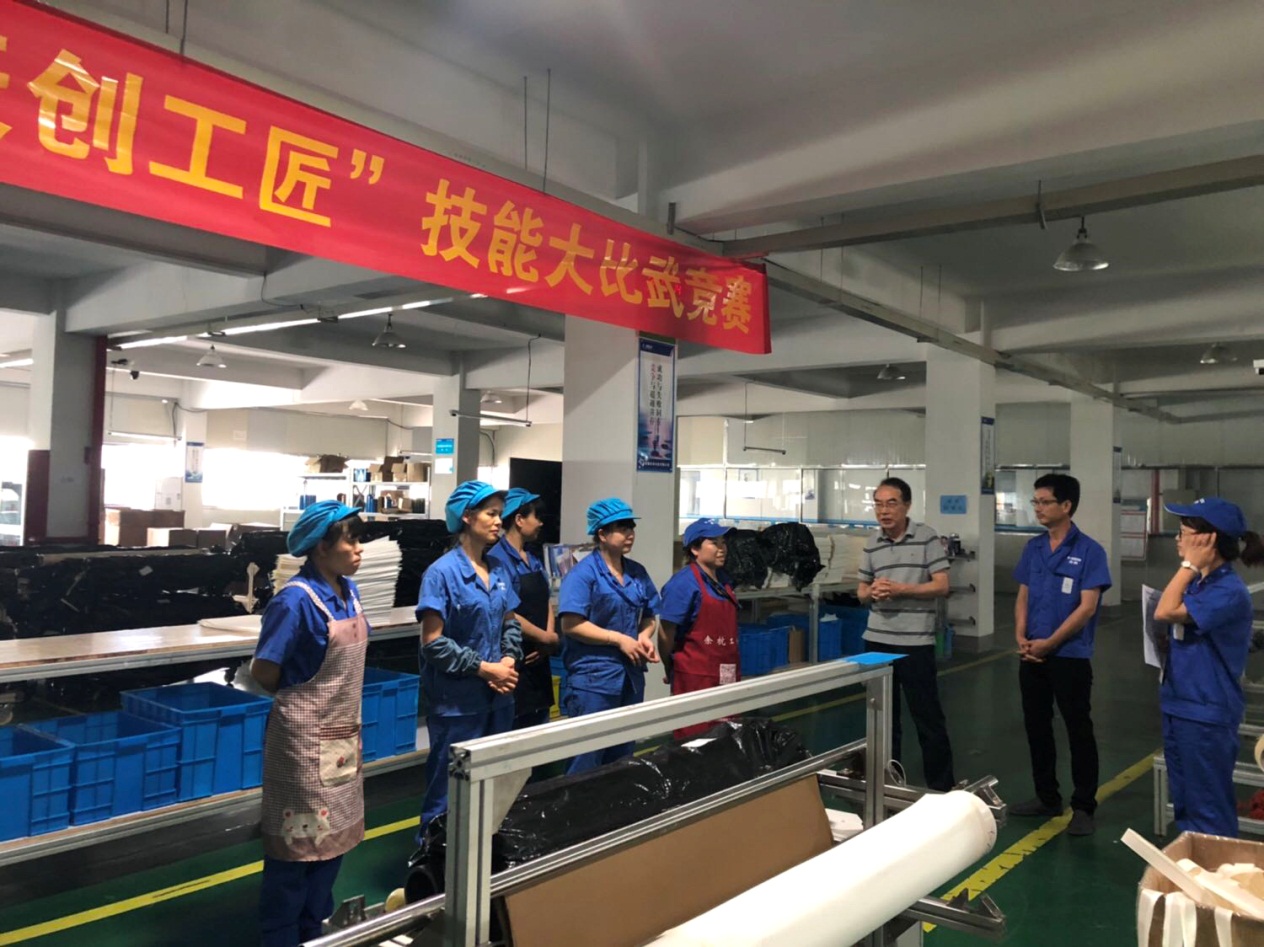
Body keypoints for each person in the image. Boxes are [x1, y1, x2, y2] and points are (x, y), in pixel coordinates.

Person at [251, 500, 368, 947]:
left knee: (331, 845)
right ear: (321, 547)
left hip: (342, 739)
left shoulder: (349, 591)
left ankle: (314, 932)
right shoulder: (295, 601)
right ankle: (281, 936)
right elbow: (265, 671)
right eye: (351, 541)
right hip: (301, 747)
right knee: (296, 852)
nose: (359, 549)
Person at [416, 481, 523, 830]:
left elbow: (510, 622)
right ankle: (434, 858)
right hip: (458, 706)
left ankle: (485, 855)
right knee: (448, 792)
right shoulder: (442, 573)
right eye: (491, 514)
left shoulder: (500, 570)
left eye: (500, 514)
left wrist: (509, 659)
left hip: (498, 700)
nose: (498, 522)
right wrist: (483, 669)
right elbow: (433, 642)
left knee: (493, 789)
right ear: (466, 516)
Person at [1154, 497, 1264, 837]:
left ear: (1208, 540)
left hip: (1206, 711)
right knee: (1187, 802)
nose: (1178, 539)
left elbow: (1165, 611)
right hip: (1181, 703)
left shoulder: (1227, 590)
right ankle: (1194, 863)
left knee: (1208, 807)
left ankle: (1215, 866)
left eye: (1184, 533)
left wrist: (1188, 565)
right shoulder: (1201, 584)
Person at [1011, 473, 1111, 836]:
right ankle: (1047, 797)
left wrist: (1051, 642)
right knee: (1037, 727)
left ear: (1066, 506)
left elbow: (1087, 608)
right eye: (1035, 502)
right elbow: (1023, 595)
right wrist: (1020, 635)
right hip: (1032, 654)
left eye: (1044, 502)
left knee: (1077, 729)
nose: (1037, 508)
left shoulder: (1089, 552)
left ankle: (1083, 806)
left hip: (1070, 656)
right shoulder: (1033, 548)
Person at [856, 477, 955, 792]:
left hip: (915, 643)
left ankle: (941, 788)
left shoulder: (926, 538)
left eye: (891, 503)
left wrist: (902, 589)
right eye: (878, 504)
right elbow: (860, 591)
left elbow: (942, 585)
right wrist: (872, 591)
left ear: (907, 505)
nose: (884, 511)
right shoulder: (872, 542)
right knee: (882, 720)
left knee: (927, 718)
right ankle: (887, 784)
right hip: (876, 640)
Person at [557, 497, 661, 774]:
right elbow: (571, 625)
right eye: (621, 528)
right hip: (593, 681)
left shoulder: (637, 572)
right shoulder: (582, 575)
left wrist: (644, 635)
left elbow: (650, 614)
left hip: (630, 677)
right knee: (586, 757)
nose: (630, 533)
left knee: (622, 756)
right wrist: (619, 639)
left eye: (631, 527)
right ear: (602, 534)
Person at [659, 518, 740, 740]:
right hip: (696, 678)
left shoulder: (724, 581)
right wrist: (670, 665)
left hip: (727, 673)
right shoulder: (683, 584)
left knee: (726, 738)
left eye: (723, 542)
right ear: (695, 549)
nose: (722, 548)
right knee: (695, 740)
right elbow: (665, 633)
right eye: (714, 542)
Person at [486, 487, 559, 729]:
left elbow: (546, 598)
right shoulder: (497, 559)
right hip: (515, 659)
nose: (540, 524)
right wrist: (543, 637)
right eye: (536, 517)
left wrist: (548, 637)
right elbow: (508, 611)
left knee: (540, 730)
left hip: (540, 657)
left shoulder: (533, 558)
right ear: (519, 519)